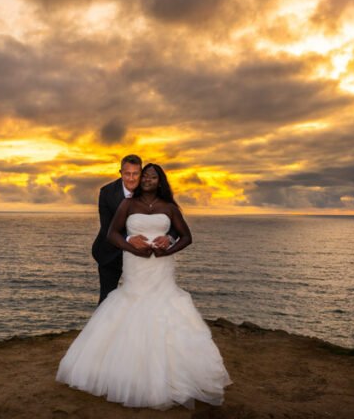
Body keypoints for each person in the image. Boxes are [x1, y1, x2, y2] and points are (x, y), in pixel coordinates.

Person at [58, 163, 232, 410]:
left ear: (160, 181)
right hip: (135, 266)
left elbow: (187, 236)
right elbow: (112, 234)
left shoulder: (169, 208)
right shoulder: (128, 205)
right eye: (145, 176)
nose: (148, 179)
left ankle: (172, 376)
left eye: (153, 176)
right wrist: (133, 248)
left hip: (161, 268)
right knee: (131, 304)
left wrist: (166, 250)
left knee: (164, 308)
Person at [91, 154, 171, 304]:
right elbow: (107, 227)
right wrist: (129, 239)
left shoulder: (151, 190)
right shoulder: (107, 193)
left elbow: (169, 220)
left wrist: (169, 238)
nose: (132, 178)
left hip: (142, 256)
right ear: (121, 173)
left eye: (136, 174)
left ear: (141, 174)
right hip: (110, 253)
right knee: (107, 299)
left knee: (143, 298)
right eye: (127, 173)